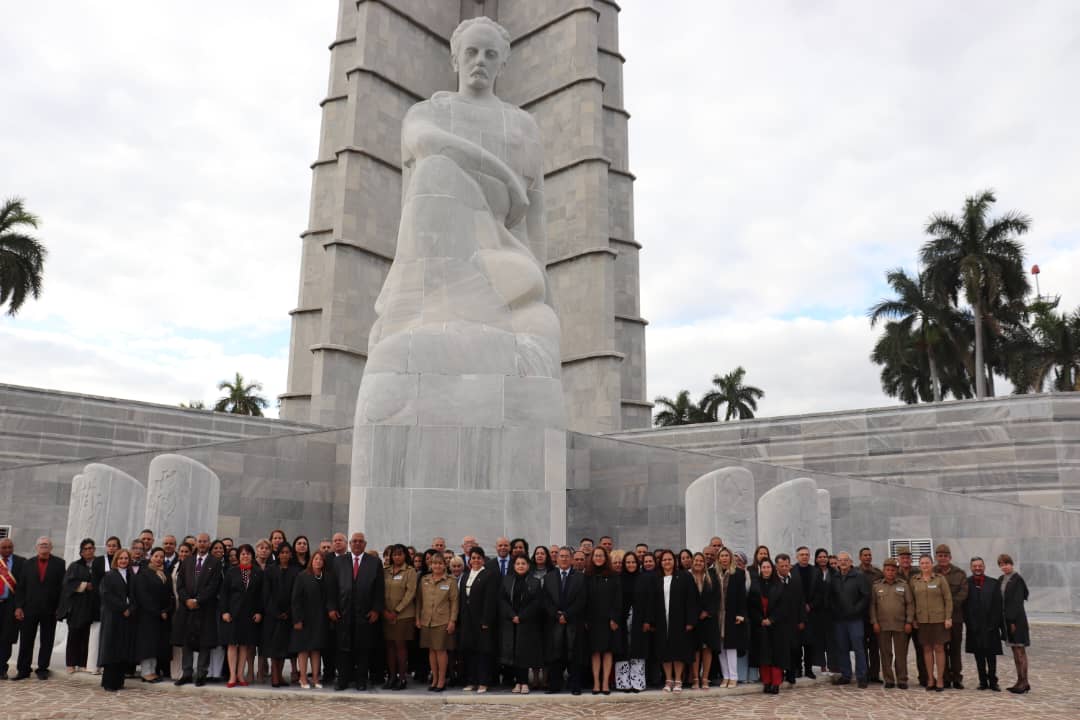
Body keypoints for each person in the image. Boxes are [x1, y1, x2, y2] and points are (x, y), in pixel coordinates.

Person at [329, 532, 385, 691]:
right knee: (343, 648)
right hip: (343, 612)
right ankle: (343, 680)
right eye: (354, 541)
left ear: (365, 544)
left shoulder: (374, 562)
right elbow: (332, 587)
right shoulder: (339, 561)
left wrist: (376, 609)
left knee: (363, 648)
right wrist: (331, 608)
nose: (357, 544)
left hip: (365, 614)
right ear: (350, 544)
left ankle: (361, 680)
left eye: (360, 541)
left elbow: (379, 589)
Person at [173, 532, 223, 687]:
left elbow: (214, 585)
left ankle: (201, 673)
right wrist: (187, 599)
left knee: (204, 642)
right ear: (195, 544)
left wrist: (198, 600)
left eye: (204, 541)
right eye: (199, 541)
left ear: (209, 544)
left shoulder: (215, 562)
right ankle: (187, 673)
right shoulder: (187, 561)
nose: (202, 544)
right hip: (187, 608)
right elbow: (180, 584)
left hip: (205, 608)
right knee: (186, 641)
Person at [12, 536, 65, 680]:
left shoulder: (60, 564)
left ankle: (42, 669)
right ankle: (23, 669)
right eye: (41, 545)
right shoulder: (27, 564)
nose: (44, 547)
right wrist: (18, 607)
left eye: (46, 545)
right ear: (36, 547)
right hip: (29, 608)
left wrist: (60, 608)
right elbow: (21, 587)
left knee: (47, 640)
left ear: (51, 547)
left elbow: (62, 588)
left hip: (50, 609)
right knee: (26, 640)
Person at [748, 558, 796, 695]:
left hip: (777, 627)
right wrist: (760, 619)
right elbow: (751, 606)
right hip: (760, 626)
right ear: (760, 569)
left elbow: (783, 606)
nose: (766, 570)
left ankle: (776, 683)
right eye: (763, 567)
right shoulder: (755, 585)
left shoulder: (779, 585)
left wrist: (771, 619)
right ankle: (766, 682)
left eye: (768, 567)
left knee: (776, 656)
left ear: (772, 568)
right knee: (763, 656)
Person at [543, 547, 586, 695]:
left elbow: (582, 599)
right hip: (554, 622)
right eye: (561, 556)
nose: (564, 559)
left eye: (567, 556)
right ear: (557, 558)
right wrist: (557, 615)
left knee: (574, 654)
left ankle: (575, 686)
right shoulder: (549, 577)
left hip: (574, 622)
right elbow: (546, 600)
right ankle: (554, 685)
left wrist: (566, 615)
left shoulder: (580, 577)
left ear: (572, 559)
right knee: (555, 654)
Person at [220, 544, 264, 688]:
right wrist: (224, 611)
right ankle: (232, 675)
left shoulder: (258, 573)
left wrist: (259, 612)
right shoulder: (231, 572)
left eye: (248, 553)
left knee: (244, 645)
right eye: (242, 554)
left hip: (249, 615)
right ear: (239, 556)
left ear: (252, 556)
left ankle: (240, 674)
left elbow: (261, 595)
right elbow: (224, 594)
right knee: (232, 644)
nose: (245, 556)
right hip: (233, 614)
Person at [498, 555, 543, 694]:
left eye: (523, 563)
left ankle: (525, 683)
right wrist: (512, 615)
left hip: (527, 623)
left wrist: (522, 616)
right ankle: (518, 682)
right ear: (514, 565)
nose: (520, 566)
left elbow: (536, 602)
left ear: (528, 566)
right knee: (514, 654)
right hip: (511, 622)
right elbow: (502, 599)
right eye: (518, 563)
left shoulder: (535, 582)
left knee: (524, 653)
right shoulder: (507, 580)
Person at [654, 549, 696, 693]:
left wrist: (690, 621)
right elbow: (650, 602)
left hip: (679, 620)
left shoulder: (684, 577)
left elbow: (692, 600)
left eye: (669, 559)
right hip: (661, 620)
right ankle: (668, 680)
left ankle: (678, 680)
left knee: (678, 650)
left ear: (675, 561)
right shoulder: (656, 578)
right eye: (664, 560)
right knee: (664, 650)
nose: (667, 562)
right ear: (660, 562)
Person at [416, 551, 458, 691]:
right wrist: (418, 618)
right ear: (430, 564)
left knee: (441, 651)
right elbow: (419, 602)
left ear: (444, 565)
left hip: (442, 621)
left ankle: (441, 680)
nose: (437, 566)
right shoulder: (424, 580)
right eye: (434, 563)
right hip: (426, 620)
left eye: (440, 563)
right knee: (431, 651)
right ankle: (434, 679)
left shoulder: (450, 581)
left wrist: (452, 621)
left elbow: (454, 603)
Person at [910, 552, 952, 692]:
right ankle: (930, 678)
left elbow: (948, 599)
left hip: (939, 620)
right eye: (922, 563)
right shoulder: (914, 580)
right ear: (919, 565)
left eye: (927, 563)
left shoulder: (940, 579)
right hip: (922, 620)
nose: (925, 565)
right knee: (927, 649)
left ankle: (940, 679)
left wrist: (948, 617)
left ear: (932, 564)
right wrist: (913, 618)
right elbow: (911, 601)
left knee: (939, 649)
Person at [458, 546, 498, 692]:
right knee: (469, 651)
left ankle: (483, 682)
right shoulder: (466, 574)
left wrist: (486, 620)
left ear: (483, 559)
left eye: (478, 558)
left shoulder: (489, 574)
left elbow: (490, 600)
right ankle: (471, 681)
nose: (475, 560)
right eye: (473, 558)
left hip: (481, 621)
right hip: (467, 621)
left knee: (483, 652)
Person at [869, 558, 913, 689]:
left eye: (893, 570)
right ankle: (888, 679)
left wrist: (909, 621)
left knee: (901, 654)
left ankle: (902, 679)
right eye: (888, 569)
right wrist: (874, 622)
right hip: (882, 625)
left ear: (896, 571)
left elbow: (910, 604)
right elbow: (872, 606)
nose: (890, 572)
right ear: (884, 570)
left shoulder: (904, 585)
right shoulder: (876, 586)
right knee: (885, 653)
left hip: (900, 625)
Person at [829, 551, 870, 688]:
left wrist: (855, 610)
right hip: (839, 619)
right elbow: (831, 596)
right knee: (842, 648)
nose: (843, 562)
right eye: (840, 560)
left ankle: (862, 676)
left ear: (851, 562)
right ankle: (846, 675)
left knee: (859, 648)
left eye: (845, 560)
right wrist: (835, 610)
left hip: (855, 619)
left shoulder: (859, 576)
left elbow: (865, 597)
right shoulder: (834, 576)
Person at [584, 547, 621, 695]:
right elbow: (584, 599)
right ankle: (596, 683)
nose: (598, 558)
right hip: (592, 620)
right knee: (595, 652)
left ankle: (605, 682)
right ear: (592, 558)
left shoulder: (613, 576)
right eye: (596, 555)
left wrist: (614, 618)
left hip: (608, 621)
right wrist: (586, 619)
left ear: (606, 558)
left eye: (601, 555)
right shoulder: (587, 576)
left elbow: (618, 599)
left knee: (607, 651)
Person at [290, 550, 330, 689]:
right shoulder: (302, 576)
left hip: (320, 619)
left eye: (321, 559)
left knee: (316, 649)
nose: (318, 561)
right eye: (316, 559)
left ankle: (315, 678)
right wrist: (297, 619)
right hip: (304, 619)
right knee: (303, 649)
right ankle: (302, 678)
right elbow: (296, 600)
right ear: (311, 561)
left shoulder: (326, 577)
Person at [963, 556, 1003, 691]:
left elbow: (998, 605)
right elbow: (964, 605)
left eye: (980, 565)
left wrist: (994, 623)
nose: (977, 568)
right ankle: (982, 681)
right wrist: (970, 623)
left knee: (991, 655)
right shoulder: (966, 583)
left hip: (990, 626)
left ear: (984, 567)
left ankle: (993, 681)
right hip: (974, 626)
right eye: (975, 566)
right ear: (971, 567)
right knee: (978, 655)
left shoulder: (993, 583)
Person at [614, 551, 652, 692]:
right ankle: (623, 683)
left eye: (633, 562)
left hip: (639, 619)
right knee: (622, 649)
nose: (631, 565)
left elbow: (649, 601)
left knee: (638, 649)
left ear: (638, 563)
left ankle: (637, 683)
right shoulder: (618, 578)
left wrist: (648, 620)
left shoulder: (644, 579)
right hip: (621, 619)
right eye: (628, 562)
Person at [382, 544, 418, 690]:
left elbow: (410, 593)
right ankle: (392, 677)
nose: (397, 557)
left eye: (400, 554)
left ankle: (402, 678)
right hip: (386, 614)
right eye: (394, 554)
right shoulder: (385, 571)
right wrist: (384, 611)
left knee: (400, 647)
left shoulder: (410, 571)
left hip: (402, 616)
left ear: (405, 556)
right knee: (389, 647)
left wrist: (396, 611)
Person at [59, 538, 98, 673]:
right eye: (85, 549)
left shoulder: (98, 565)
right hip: (76, 606)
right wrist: (84, 585)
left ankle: (82, 663)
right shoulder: (75, 566)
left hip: (91, 605)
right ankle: (70, 663)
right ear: (81, 552)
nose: (88, 551)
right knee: (74, 634)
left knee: (86, 635)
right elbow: (67, 584)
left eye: (91, 548)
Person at [99, 549, 135, 692]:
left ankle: (119, 681)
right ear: (116, 560)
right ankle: (109, 682)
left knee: (122, 649)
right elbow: (106, 595)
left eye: (126, 558)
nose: (123, 561)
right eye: (121, 558)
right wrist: (123, 608)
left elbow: (135, 596)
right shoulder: (109, 576)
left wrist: (130, 609)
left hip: (127, 618)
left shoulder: (132, 576)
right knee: (111, 648)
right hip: (113, 617)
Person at [133, 547, 172, 683]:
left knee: (156, 644)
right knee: (147, 644)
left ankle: (153, 671)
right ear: (151, 557)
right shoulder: (144, 574)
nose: (159, 559)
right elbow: (143, 596)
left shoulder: (165, 573)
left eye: (161, 557)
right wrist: (158, 611)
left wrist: (166, 610)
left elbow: (169, 595)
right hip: (147, 615)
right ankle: (145, 672)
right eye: (156, 556)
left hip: (162, 616)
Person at [263, 541, 299, 687]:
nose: (284, 555)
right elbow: (266, 593)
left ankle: (280, 675)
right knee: (274, 646)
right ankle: (275, 676)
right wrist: (275, 612)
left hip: (288, 615)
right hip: (273, 615)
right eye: (282, 552)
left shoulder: (296, 571)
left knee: (284, 647)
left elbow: (297, 594)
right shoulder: (270, 570)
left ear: (291, 554)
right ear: (278, 554)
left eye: (287, 552)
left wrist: (289, 612)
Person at [934, 544, 968, 689]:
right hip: (937, 618)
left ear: (950, 557)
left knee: (954, 648)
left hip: (955, 617)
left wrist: (948, 604)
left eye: (945, 556)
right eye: (940, 556)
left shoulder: (959, 573)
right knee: (941, 648)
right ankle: (945, 677)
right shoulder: (932, 572)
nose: (942, 558)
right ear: (936, 557)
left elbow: (963, 593)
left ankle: (957, 677)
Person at [714, 547, 747, 688]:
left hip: (732, 614)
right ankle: (725, 676)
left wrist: (741, 614)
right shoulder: (712, 573)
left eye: (727, 555)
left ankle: (733, 677)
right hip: (717, 615)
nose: (724, 558)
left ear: (730, 558)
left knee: (731, 646)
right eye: (722, 556)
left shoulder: (738, 573)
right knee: (720, 647)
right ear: (718, 558)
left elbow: (742, 595)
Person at [998, 554, 1030, 693]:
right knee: (1015, 651)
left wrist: (1012, 621)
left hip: (1016, 620)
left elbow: (1017, 602)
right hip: (1006, 621)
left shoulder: (1017, 579)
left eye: (1006, 563)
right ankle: (1019, 681)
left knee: (1020, 650)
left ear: (1011, 564)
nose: (1004, 566)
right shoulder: (1001, 579)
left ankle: (1025, 681)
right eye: (1001, 564)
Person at [895, 545, 927, 685]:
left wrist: (914, 618)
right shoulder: (894, 573)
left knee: (922, 650)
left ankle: (924, 678)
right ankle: (901, 679)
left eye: (908, 557)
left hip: (918, 619)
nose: (905, 560)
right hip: (901, 619)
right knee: (901, 652)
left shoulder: (918, 572)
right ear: (898, 559)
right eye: (903, 557)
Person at [774, 554, 806, 687]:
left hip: (793, 622)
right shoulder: (773, 581)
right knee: (780, 649)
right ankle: (780, 674)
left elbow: (801, 601)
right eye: (782, 566)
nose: (785, 568)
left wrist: (802, 619)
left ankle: (791, 674)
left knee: (794, 648)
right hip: (778, 623)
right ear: (777, 566)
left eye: (787, 565)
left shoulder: (795, 580)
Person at [689, 551, 717, 689]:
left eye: (701, 561)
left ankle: (705, 678)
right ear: (692, 562)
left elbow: (717, 598)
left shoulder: (711, 577)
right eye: (696, 560)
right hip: (693, 620)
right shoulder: (687, 577)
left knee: (707, 649)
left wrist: (707, 612)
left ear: (704, 563)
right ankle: (695, 679)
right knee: (695, 649)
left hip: (708, 620)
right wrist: (694, 614)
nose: (698, 563)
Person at [0, 538, 27, 679]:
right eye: (4, 547)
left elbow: (22, 587)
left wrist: (19, 607)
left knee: (6, 638)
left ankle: (2, 669)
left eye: (10, 547)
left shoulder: (21, 562)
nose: (7, 550)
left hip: (10, 605)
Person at [857, 547, 884, 684]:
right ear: (860, 557)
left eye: (869, 555)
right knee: (861, 647)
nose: (867, 557)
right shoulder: (855, 572)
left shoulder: (878, 573)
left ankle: (874, 674)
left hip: (875, 616)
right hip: (860, 616)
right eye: (865, 555)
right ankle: (864, 673)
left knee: (874, 647)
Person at [167, 541, 192, 678]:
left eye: (186, 552)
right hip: (174, 606)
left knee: (185, 641)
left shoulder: (193, 567)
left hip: (186, 606)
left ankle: (186, 671)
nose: (183, 554)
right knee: (175, 640)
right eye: (181, 551)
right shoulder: (175, 566)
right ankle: (175, 672)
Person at [791, 546, 815, 679]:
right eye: (802, 554)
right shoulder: (791, 570)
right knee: (797, 644)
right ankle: (797, 669)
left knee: (809, 643)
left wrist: (811, 605)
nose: (804, 556)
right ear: (797, 556)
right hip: (796, 613)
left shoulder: (815, 571)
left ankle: (809, 669)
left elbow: (819, 592)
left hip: (811, 613)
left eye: (806, 554)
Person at [808, 548, 832, 675]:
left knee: (831, 640)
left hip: (831, 611)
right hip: (817, 611)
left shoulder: (833, 572)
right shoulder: (813, 572)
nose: (823, 559)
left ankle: (832, 664)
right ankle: (822, 665)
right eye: (820, 557)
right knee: (819, 640)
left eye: (825, 556)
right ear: (816, 559)